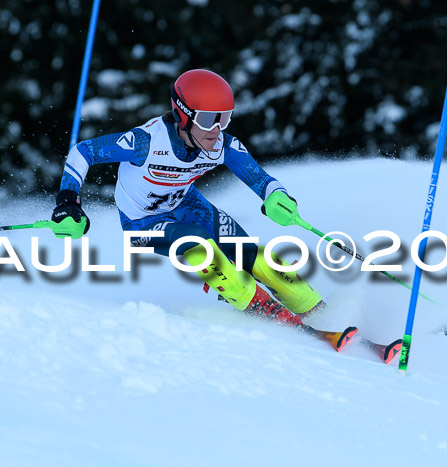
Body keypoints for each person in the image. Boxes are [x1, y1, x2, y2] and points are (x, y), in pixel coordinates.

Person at [50, 69, 324, 330]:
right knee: (197, 243)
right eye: (207, 119)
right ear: (183, 115)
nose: (216, 129)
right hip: (141, 222)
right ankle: (264, 311)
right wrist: (68, 201)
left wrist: (277, 197)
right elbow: (83, 151)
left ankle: (316, 308)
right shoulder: (146, 142)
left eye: (224, 118)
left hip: (186, 204)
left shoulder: (222, 146)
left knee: (246, 251)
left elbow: (261, 180)